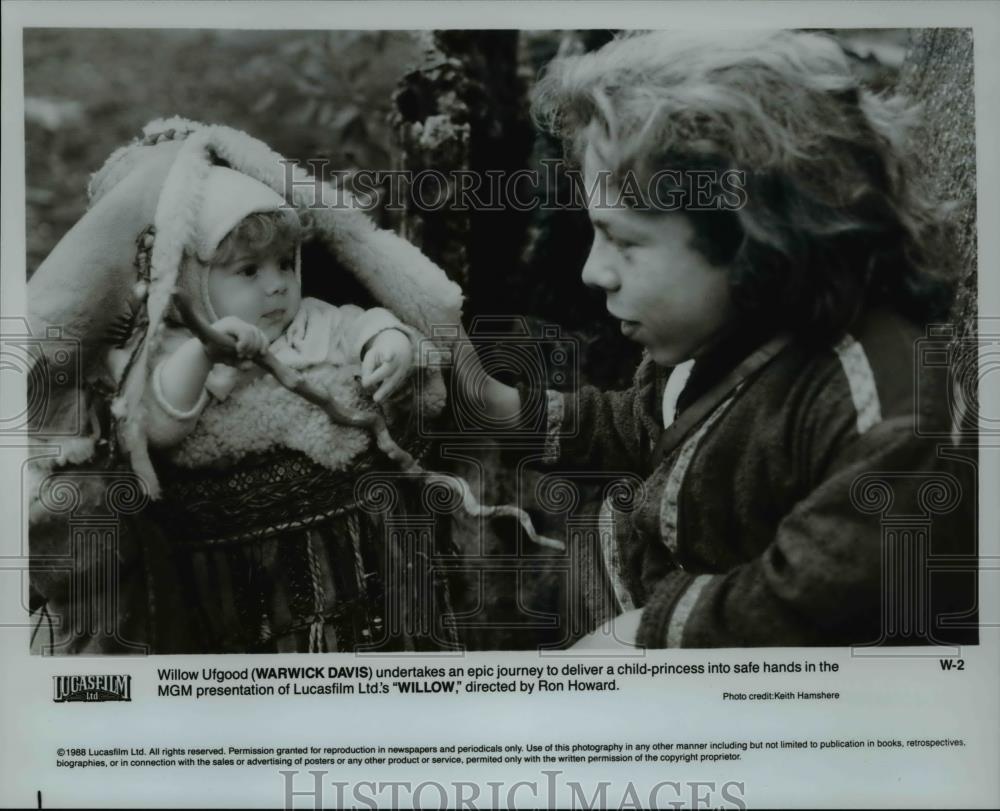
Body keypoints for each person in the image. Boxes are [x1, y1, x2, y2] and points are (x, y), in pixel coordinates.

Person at [452, 30, 976, 648]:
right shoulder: (729, 328)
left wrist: (641, 638)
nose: (593, 271)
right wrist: (503, 410)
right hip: (604, 588)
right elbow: (648, 425)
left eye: (624, 240)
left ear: (755, 238)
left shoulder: (884, 415)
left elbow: (809, 602)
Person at [144, 166, 417, 456]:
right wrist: (204, 352)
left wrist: (388, 341)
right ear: (194, 284)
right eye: (249, 270)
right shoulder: (180, 346)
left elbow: (362, 323)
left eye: (285, 264)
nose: (278, 285)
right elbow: (159, 428)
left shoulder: (309, 321)